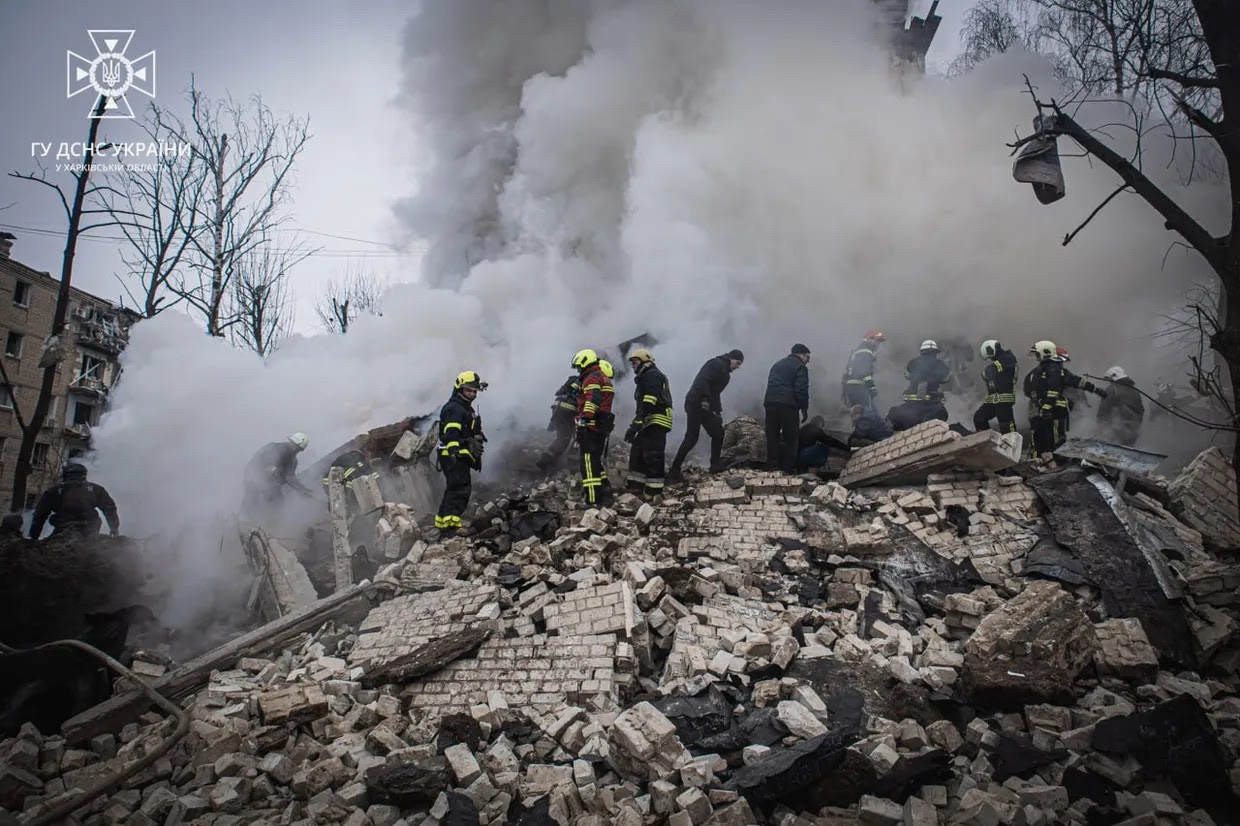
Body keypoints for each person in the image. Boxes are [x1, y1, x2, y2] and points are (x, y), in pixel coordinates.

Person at [668, 350, 744, 479]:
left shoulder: (726, 375)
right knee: (692, 437)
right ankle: (674, 470)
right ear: (731, 358)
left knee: (718, 433)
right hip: (695, 403)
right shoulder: (715, 364)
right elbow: (703, 381)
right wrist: (704, 399)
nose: (738, 367)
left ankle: (715, 465)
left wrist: (718, 411)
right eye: (737, 363)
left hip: (706, 407)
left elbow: (716, 393)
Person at [1024, 340, 1106, 457]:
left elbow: (1077, 382)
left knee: (1039, 440)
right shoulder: (1055, 370)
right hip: (1054, 412)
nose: (1037, 357)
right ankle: (1057, 461)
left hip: (1040, 413)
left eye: (1037, 354)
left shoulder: (1034, 373)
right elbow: (1068, 385)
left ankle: (1039, 462)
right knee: (1055, 439)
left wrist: (1095, 390)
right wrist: (1096, 390)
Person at [435, 371, 488, 534]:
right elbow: (451, 432)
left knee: (454, 489)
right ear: (459, 389)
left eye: (474, 391)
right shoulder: (455, 408)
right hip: (453, 455)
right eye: (468, 390)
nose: (472, 394)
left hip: (457, 456)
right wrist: (455, 451)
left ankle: (442, 523)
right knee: (460, 490)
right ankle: (450, 529)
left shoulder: (463, 408)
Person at [624, 348, 674, 499]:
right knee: (637, 452)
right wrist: (636, 424)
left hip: (657, 420)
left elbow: (649, 401)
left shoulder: (653, 375)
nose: (633, 366)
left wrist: (637, 423)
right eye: (632, 363)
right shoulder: (645, 377)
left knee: (653, 455)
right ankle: (636, 488)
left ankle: (653, 492)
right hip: (649, 420)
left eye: (635, 362)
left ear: (645, 362)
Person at [28, 463, 120, 539]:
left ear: (65, 475)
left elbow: (39, 515)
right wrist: (114, 529)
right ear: (84, 475)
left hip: (62, 531)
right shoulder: (96, 489)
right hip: (90, 531)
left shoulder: (53, 491)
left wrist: (34, 536)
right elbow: (110, 508)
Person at [573, 349, 616, 506]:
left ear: (585, 362)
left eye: (579, 367)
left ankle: (593, 500)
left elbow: (592, 401)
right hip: (600, 427)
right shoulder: (602, 377)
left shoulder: (592, 378)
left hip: (591, 427)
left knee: (588, 464)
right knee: (595, 460)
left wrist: (584, 420)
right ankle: (605, 491)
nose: (578, 370)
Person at [765, 344, 811, 473]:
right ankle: (787, 469)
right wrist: (804, 408)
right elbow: (801, 389)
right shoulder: (800, 367)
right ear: (801, 354)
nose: (808, 360)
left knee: (772, 435)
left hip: (770, 403)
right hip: (788, 405)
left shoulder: (777, 364)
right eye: (807, 356)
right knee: (790, 438)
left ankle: (773, 467)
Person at [243, 433, 313, 512]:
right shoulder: (274, 449)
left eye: (298, 449)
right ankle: (245, 518)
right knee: (252, 499)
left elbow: (290, 478)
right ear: (291, 442)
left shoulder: (292, 461)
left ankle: (272, 520)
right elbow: (256, 463)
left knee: (278, 501)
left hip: (270, 481)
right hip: (254, 476)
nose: (295, 450)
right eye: (295, 446)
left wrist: (303, 490)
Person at [536, 373, 580, 472]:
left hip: (558, 406)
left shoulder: (574, 380)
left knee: (562, 437)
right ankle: (547, 461)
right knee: (567, 438)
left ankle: (549, 459)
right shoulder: (590, 381)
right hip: (569, 410)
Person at [973, 339, 1019, 434]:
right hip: (994, 399)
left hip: (1004, 399)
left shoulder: (1008, 358)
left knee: (1006, 426)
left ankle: (1013, 446)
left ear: (991, 350)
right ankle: (988, 441)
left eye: (990, 357)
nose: (991, 359)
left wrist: (986, 373)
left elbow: (990, 370)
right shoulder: (1002, 360)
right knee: (979, 418)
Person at [901, 340, 951, 425]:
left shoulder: (912, 362)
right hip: (930, 404)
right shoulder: (940, 364)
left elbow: (907, 376)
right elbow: (945, 379)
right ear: (935, 352)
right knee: (941, 415)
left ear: (922, 352)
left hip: (911, 404)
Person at [1097, 365, 1144, 446]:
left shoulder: (1111, 389)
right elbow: (1141, 411)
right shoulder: (1135, 391)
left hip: (1115, 431)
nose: (1110, 382)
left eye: (1110, 380)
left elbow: (1103, 411)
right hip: (1133, 432)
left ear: (1114, 377)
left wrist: (1100, 426)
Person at [842, 330, 886, 408]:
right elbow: (865, 372)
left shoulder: (859, 351)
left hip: (851, 387)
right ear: (869, 339)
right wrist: (871, 387)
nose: (878, 344)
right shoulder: (866, 352)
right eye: (877, 341)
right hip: (858, 387)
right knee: (867, 413)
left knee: (857, 412)